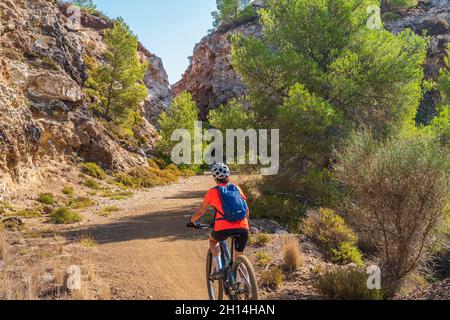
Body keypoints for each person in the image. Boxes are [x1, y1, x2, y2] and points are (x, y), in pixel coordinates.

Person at [188, 163, 249, 280]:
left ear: (215, 178)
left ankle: (220, 269)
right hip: (243, 227)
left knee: (213, 240)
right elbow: (246, 210)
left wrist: (191, 221)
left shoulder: (212, 192)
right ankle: (247, 284)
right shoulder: (237, 188)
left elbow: (200, 212)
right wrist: (244, 225)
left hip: (222, 229)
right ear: (228, 176)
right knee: (238, 257)